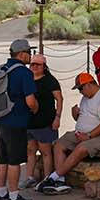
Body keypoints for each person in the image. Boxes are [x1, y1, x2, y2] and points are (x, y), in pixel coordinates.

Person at [39, 73, 100, 194]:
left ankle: (53, 177)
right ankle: (60, 181)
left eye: (81, 88)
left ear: (89, 84)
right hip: (82, 133)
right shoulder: (85, 98)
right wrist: (75, 114)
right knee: (59, 144)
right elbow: (84, 119)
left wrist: (88, 136)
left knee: (81, 148)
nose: (80, 92)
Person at [0, 39, 38, 200]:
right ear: (21, 54)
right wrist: (35, 109)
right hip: (16, 122)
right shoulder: (24, 73)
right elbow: (30, 101)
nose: (30, 56)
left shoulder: (2, 69)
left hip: (0, 120)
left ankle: (1, 193)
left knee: (2, 158)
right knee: (15, 161)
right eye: (29, 52)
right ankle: (14, 197)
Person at [19, 54, 61, 190]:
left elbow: (59, 99)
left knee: (46, 151)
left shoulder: (50, 81)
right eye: (32, 64)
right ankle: (30, 177)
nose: (35, 67)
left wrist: (57, 118)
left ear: (44, 67)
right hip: (29, 122)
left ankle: (47, 178)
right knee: (30, 150)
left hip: (45, 121)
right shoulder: (27, 79)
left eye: (38, 65)